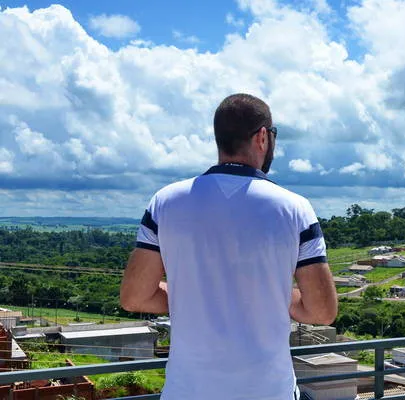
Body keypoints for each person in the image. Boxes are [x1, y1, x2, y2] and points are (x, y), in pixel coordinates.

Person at [120, 93, 338, 400]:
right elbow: (321, 311)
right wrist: (269, 294)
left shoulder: (164, 203)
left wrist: (193, 294)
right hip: (268, 391)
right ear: (262, 137)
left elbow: (134, 297)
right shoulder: (295, 210)